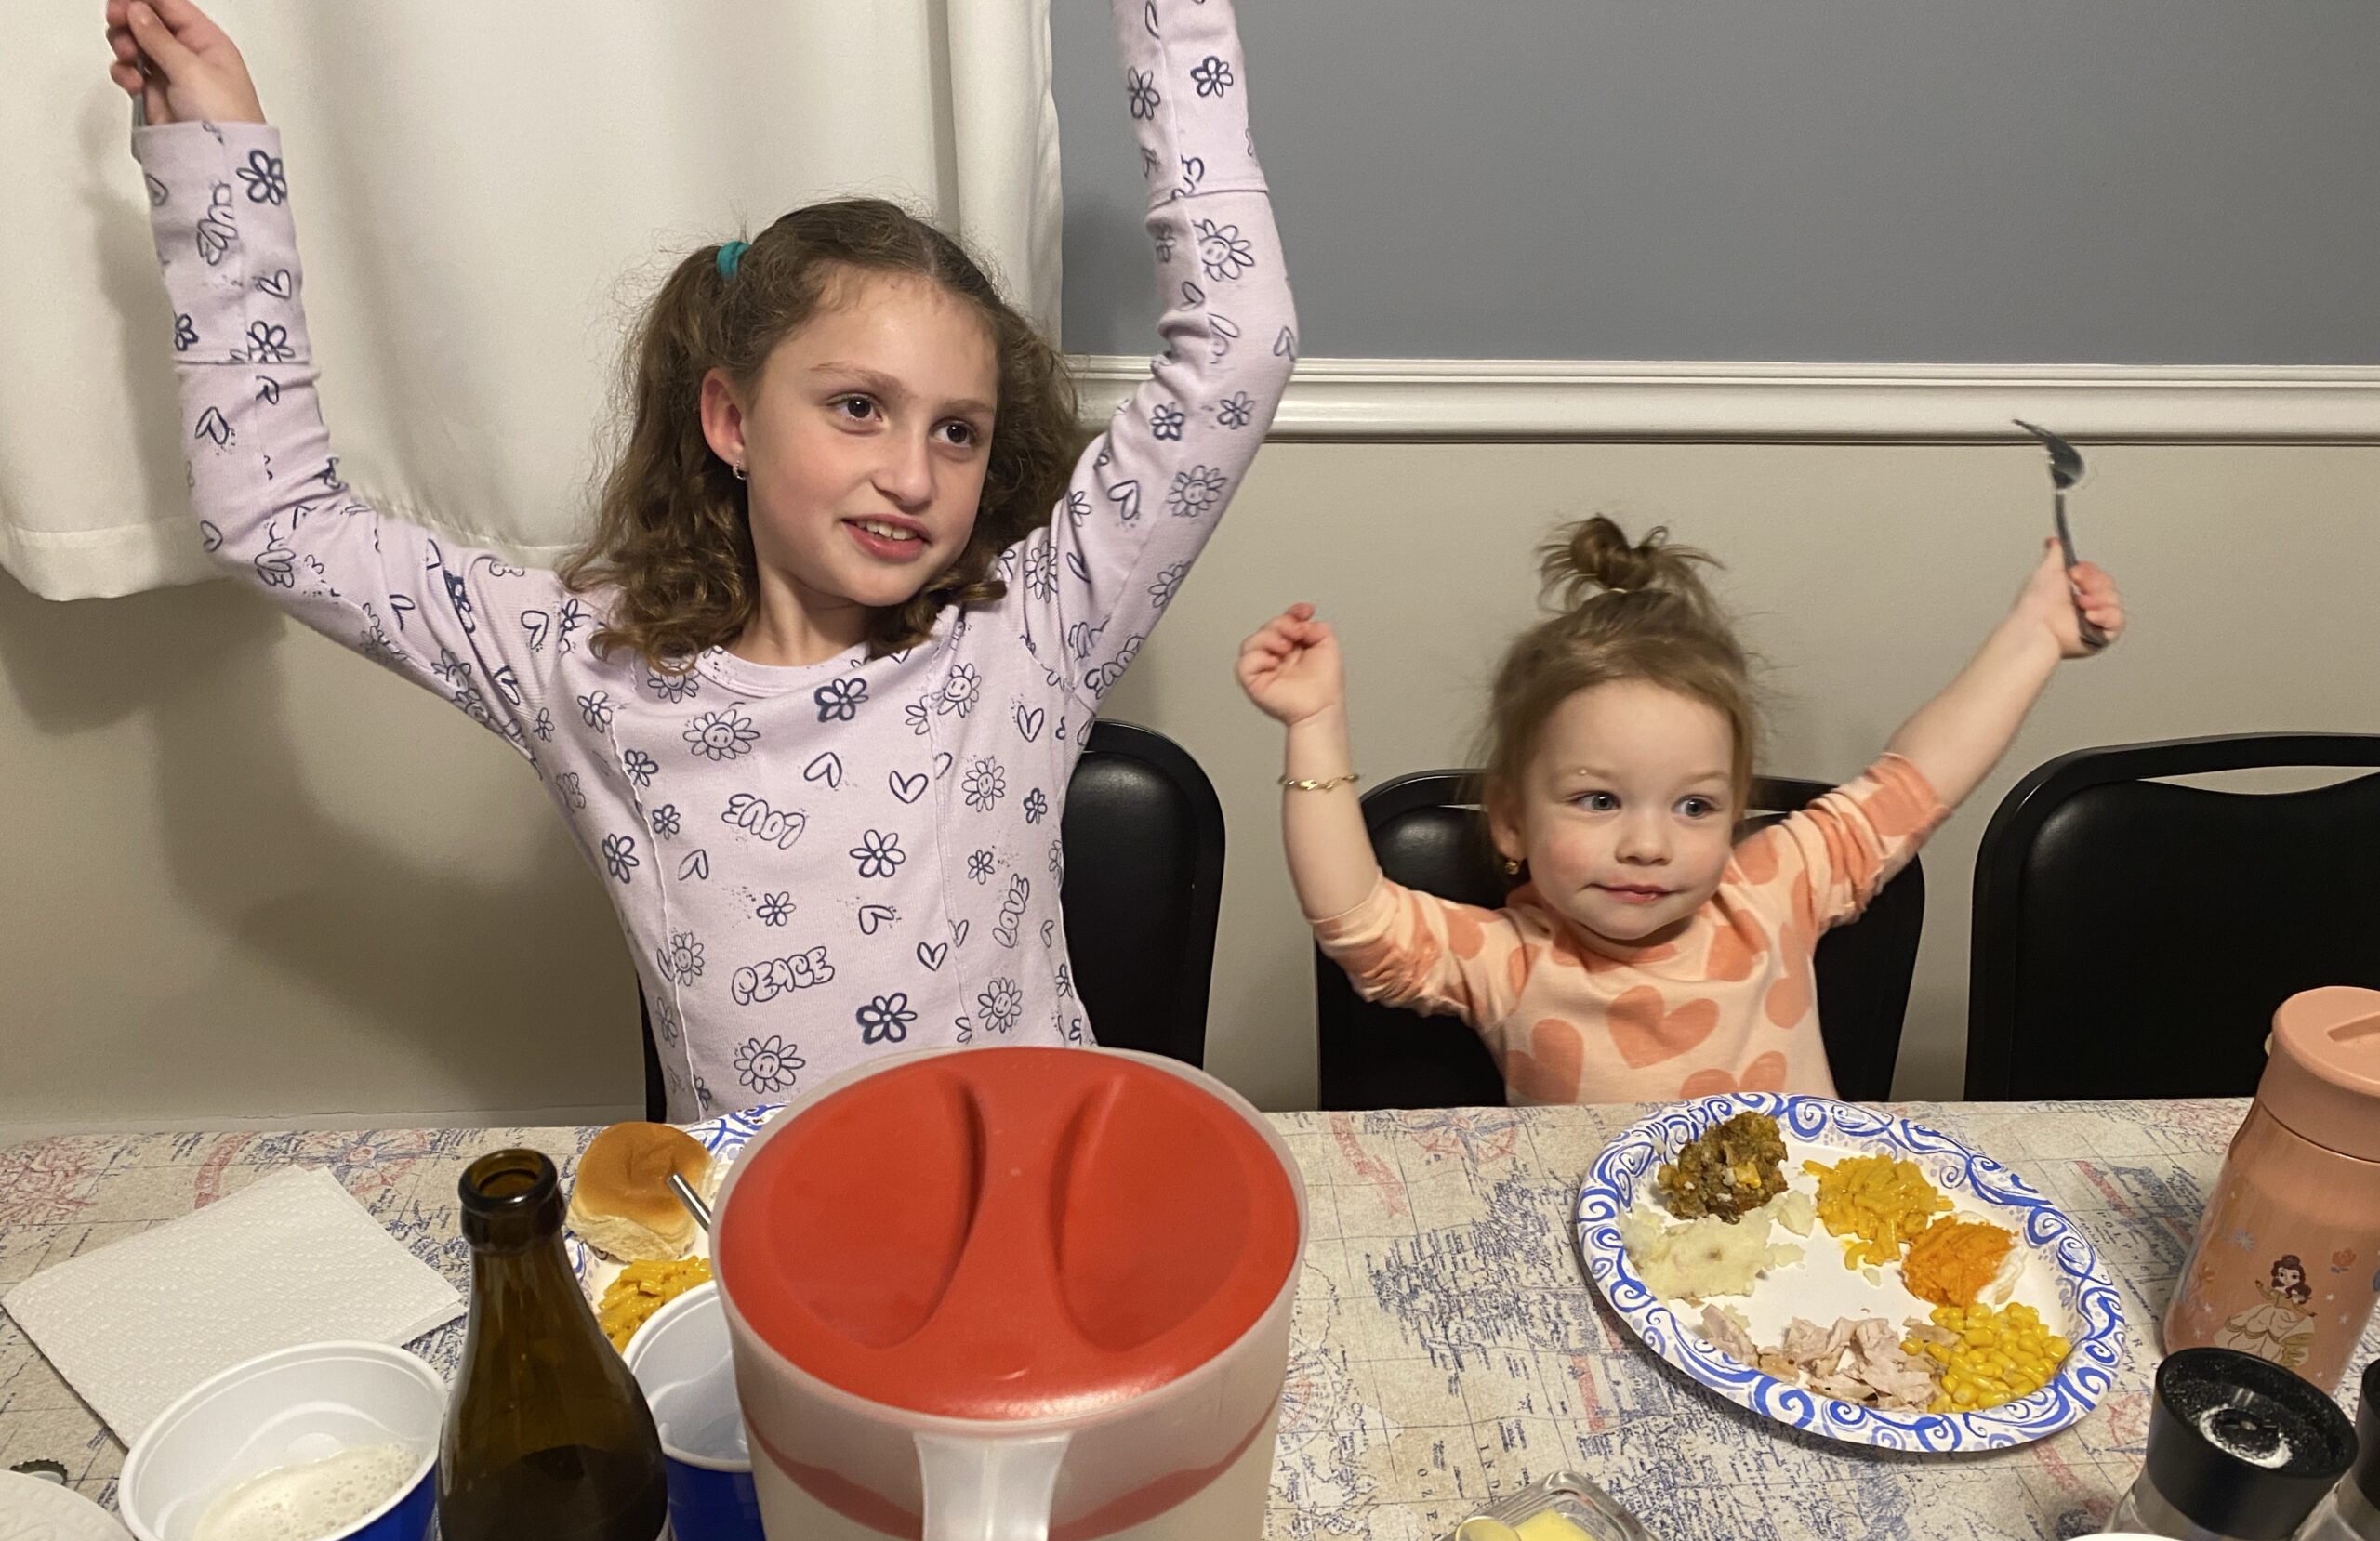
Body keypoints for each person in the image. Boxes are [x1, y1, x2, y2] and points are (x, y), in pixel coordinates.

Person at [105, 0, 1294, 1116]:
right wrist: (217, 167)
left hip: (1033, 1203)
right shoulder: (587, 665)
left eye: (957, 432)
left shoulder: (1033, 631)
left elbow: (1242, 344)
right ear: (731, 420)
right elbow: (272, 516)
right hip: (751, 1230)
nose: (913, 475)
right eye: (858, 408)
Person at [1236, 515, 2124, 1103]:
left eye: (1695, 805)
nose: (1649, 844)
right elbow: (1358, 922)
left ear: (1737, 815)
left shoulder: (1770, 893)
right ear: (1509, 821)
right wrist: (1314, 724)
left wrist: (2036, 635)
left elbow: (1916, 781)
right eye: (1598, 800)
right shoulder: (1508, 960)